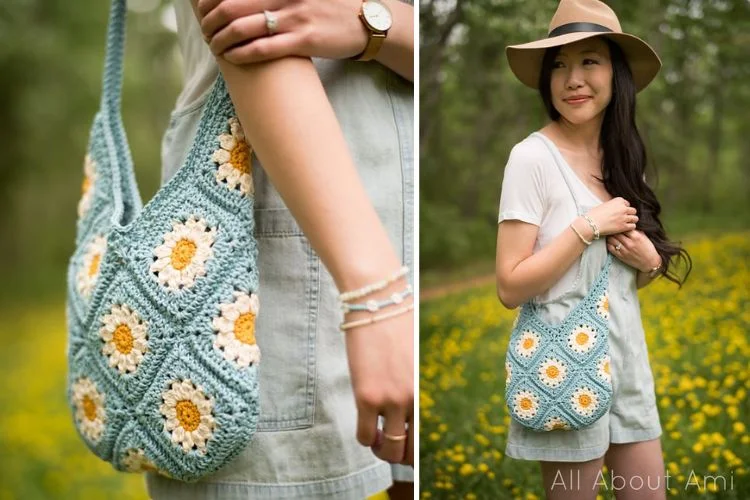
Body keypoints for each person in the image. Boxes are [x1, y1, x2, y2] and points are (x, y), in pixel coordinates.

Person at [144, 0, 414, 498]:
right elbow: (243, 18)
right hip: (276, 249)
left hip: (400, 206)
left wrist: (374, 22)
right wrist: (377, 295)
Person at [495, 0, 691, 499]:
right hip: (567, 363)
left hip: (629, 364)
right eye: (558, 65)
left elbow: (621, 279)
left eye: (589, 61)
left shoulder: (624, 157)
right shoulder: (531, 158)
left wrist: (649, 263)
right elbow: (509, 285)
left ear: (616, 73)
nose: (572, 79)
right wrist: (585, 227)